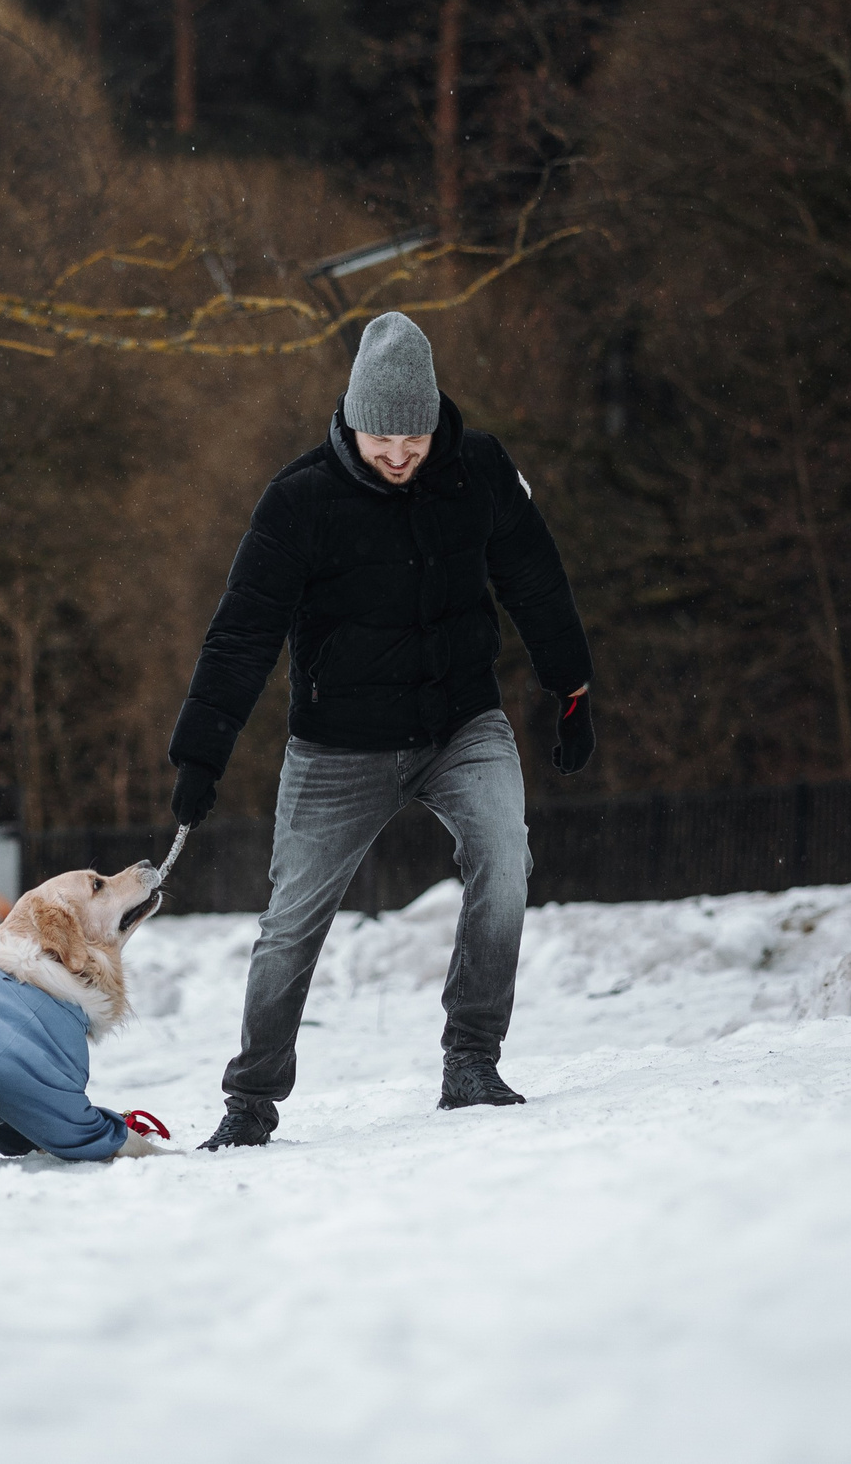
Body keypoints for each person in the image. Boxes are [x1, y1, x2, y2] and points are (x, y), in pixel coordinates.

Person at [168, 311, 594, 1150]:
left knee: (505, 856)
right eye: (380, 437)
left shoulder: (478, 470)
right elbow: (242, 634)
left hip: (459, 722)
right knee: (291, 921)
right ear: (350, 420)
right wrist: (199, 753)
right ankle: (251, 1098)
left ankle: (471, 1056)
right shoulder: (299, 501)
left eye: (414, 435)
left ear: (435, 420)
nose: (399, 453)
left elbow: (534, 576)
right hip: (339, 746)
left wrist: (571, 687)